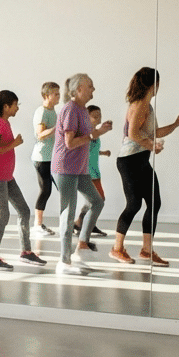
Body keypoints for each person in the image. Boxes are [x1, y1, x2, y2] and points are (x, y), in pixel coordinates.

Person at [110, 67, 179, 267]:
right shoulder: (138, 106)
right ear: (154, 84)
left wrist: (176, 124)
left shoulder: (147, 107)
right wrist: (150, 145)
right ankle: (117, 249)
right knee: (134, 204)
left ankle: (146, 250)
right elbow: (133, 134)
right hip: (129, 161)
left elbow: (155, 132)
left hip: (141, 161)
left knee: (154, 202)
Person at [52, 74, 112, 275]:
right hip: (66, 168)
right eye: (90, 87)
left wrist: (98, 132)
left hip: (80, 168)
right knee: (67, 213)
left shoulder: (82, 110)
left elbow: (85, 137)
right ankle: (64, 262)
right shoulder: (70, 110)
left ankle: (82, 245)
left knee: (97, 201)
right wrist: (96, 133)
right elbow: (70, 143)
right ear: (78, 90)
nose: (93, 90)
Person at [0, 90, 43, 270]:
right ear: (6, 106)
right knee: (2, 216)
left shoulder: (4, 122)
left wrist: (11, 144)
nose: (17, 108)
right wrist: (13, 144)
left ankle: (26, 252)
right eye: (15, 104)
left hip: (6, 177)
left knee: (23, 210)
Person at [73, 104, 113, 238]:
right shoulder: (87, 133)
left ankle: (83, 223)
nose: (98, 118)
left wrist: (103, 152)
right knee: (98, 199)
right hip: (87, 172)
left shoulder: (95, 133)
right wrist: (103, 130)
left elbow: (91, 150)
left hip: (95, 171)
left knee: (94, 200)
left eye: (99, 115)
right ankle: (83, 223)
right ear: (86, 117)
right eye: (95, 116)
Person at [31, 82, 61, 236]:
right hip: (41, 157)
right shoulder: (42, 112)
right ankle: (37, 224)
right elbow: (40, 134)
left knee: (61, 188)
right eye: (55, 94)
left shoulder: (53, 112)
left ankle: (69, 222)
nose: (58, 96)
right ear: (46, 95)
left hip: (52, 157)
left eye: (58, 93)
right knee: (45, 189)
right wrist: (58, 128)